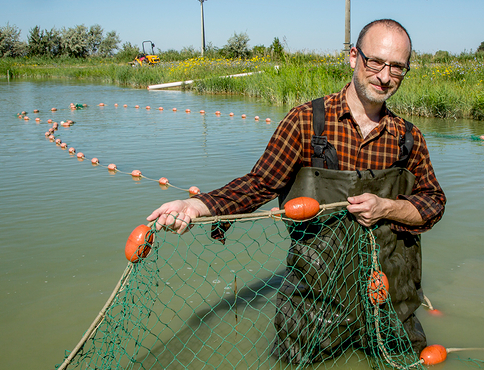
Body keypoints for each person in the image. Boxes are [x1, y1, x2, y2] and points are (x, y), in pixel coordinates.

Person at [147, 19, 446, 363]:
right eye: (375, 61)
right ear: (353, 57)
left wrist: (387, 208)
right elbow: (260, 183)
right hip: (315, 306)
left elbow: (433, 203)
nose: (383, 76)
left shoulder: (408, 138)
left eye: (397, 67)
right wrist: (198, 205)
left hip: (389, 303)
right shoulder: (306, 121)